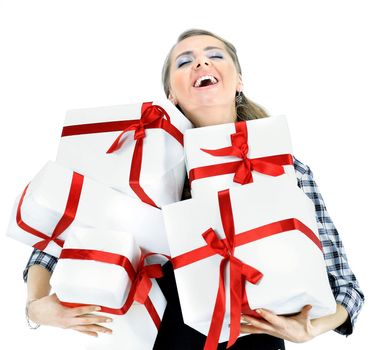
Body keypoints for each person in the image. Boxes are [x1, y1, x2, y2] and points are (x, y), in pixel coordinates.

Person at [24, 29, 364, 349]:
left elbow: (345, 286)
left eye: (215, 55)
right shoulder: (140, 164)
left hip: (255, 341)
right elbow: (55, 238)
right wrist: (35, 307)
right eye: (184, 61)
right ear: (171, 94)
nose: (201, 63)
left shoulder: (282, 165)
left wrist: (312, 328)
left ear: (239, 80)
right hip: (163, 338)